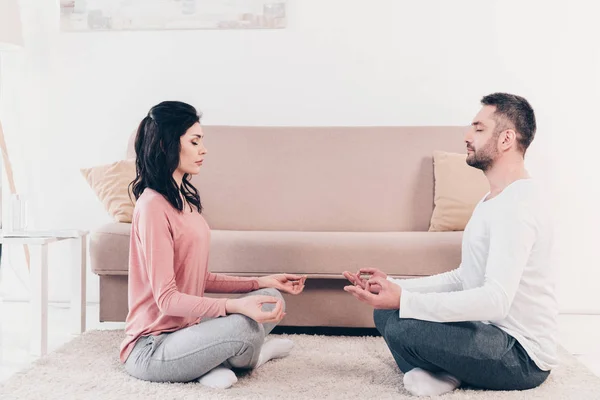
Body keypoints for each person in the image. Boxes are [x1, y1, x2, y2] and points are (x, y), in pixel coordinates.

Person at [343, 93, 557, 397]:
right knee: (385, 312)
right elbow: (463, 277)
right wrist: (395, 288)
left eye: (479, 129)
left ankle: (443, 372)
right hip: (488, 332)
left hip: (521, 356)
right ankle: (444, 372)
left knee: (404, 326)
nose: (467, 136)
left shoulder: (518, 207)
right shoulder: (492, 200)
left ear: (507, 139)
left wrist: (406, 301)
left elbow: (496, 300)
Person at [120, 101, 307, 389]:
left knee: (271, 298)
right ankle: (251, 357)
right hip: (152, 347)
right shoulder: (152, 207)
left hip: (189, 329)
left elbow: (199, 278)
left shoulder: (183, 200)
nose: (203, 149)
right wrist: (235, 307)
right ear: (166, 144)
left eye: (202, 141)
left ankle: (209, 361)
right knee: (242, 325)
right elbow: (167, 299)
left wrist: (260, 282)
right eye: (194, 141)